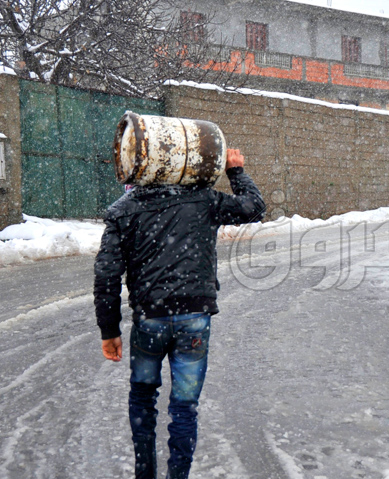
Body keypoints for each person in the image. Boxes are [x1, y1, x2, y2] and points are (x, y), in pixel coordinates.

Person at [95, 149, 265, 479]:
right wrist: (236, 171)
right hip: (194, 317)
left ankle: (145, 473)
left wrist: (109, 330)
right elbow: (253, 208)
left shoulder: (123, 209)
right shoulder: (204, 199)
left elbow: (107, 274)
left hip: (150, 319)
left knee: (143, 399)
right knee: (184, 407)